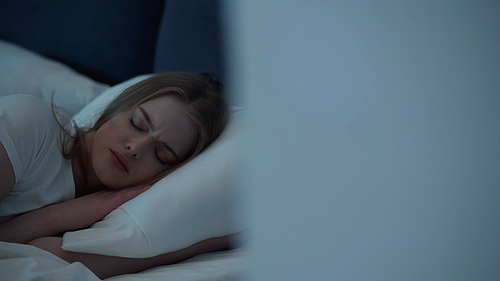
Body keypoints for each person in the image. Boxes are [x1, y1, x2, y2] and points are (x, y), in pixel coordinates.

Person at [0, 72, 234, 278]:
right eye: (137, 124)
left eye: (162, 155)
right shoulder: (30, 125)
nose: (136, 148)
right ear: (116, 108)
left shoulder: (110, 214)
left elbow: (40, 252)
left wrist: (198, 246)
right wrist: (58, 216)